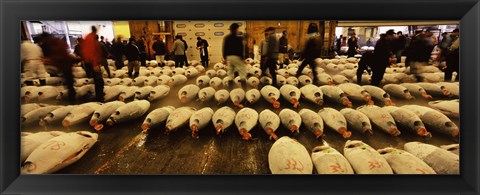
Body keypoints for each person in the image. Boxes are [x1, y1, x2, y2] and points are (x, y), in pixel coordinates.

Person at [38, 32, 80, 104]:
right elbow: (65, 49)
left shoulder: (51, 44)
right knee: (69, 82)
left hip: (64, 64)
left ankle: (72, 99)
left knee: (69, 83)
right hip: (64, 64)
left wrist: (50, 60)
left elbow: (60, 55)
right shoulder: (56, 42)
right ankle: (71, 96)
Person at [80, 26, 105, 102]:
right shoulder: (91, 39)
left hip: (90, 62)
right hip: (93, 63)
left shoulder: (88, 38)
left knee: (98, 81)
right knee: (99, 81)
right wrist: (95, 64)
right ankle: (99, 98)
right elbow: (91, 52)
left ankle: (99, 96)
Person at [223, 23, 246, 88]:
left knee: (230, 73)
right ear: (236, 29)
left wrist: (225, 57)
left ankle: (230, 90)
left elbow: (224, 48)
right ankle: (244, 90)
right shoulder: (238, 38)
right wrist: (243, 58)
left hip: (229, 57)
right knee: (242, 72)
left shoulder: (226, 37)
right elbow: (241, 48)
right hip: (237, 56)